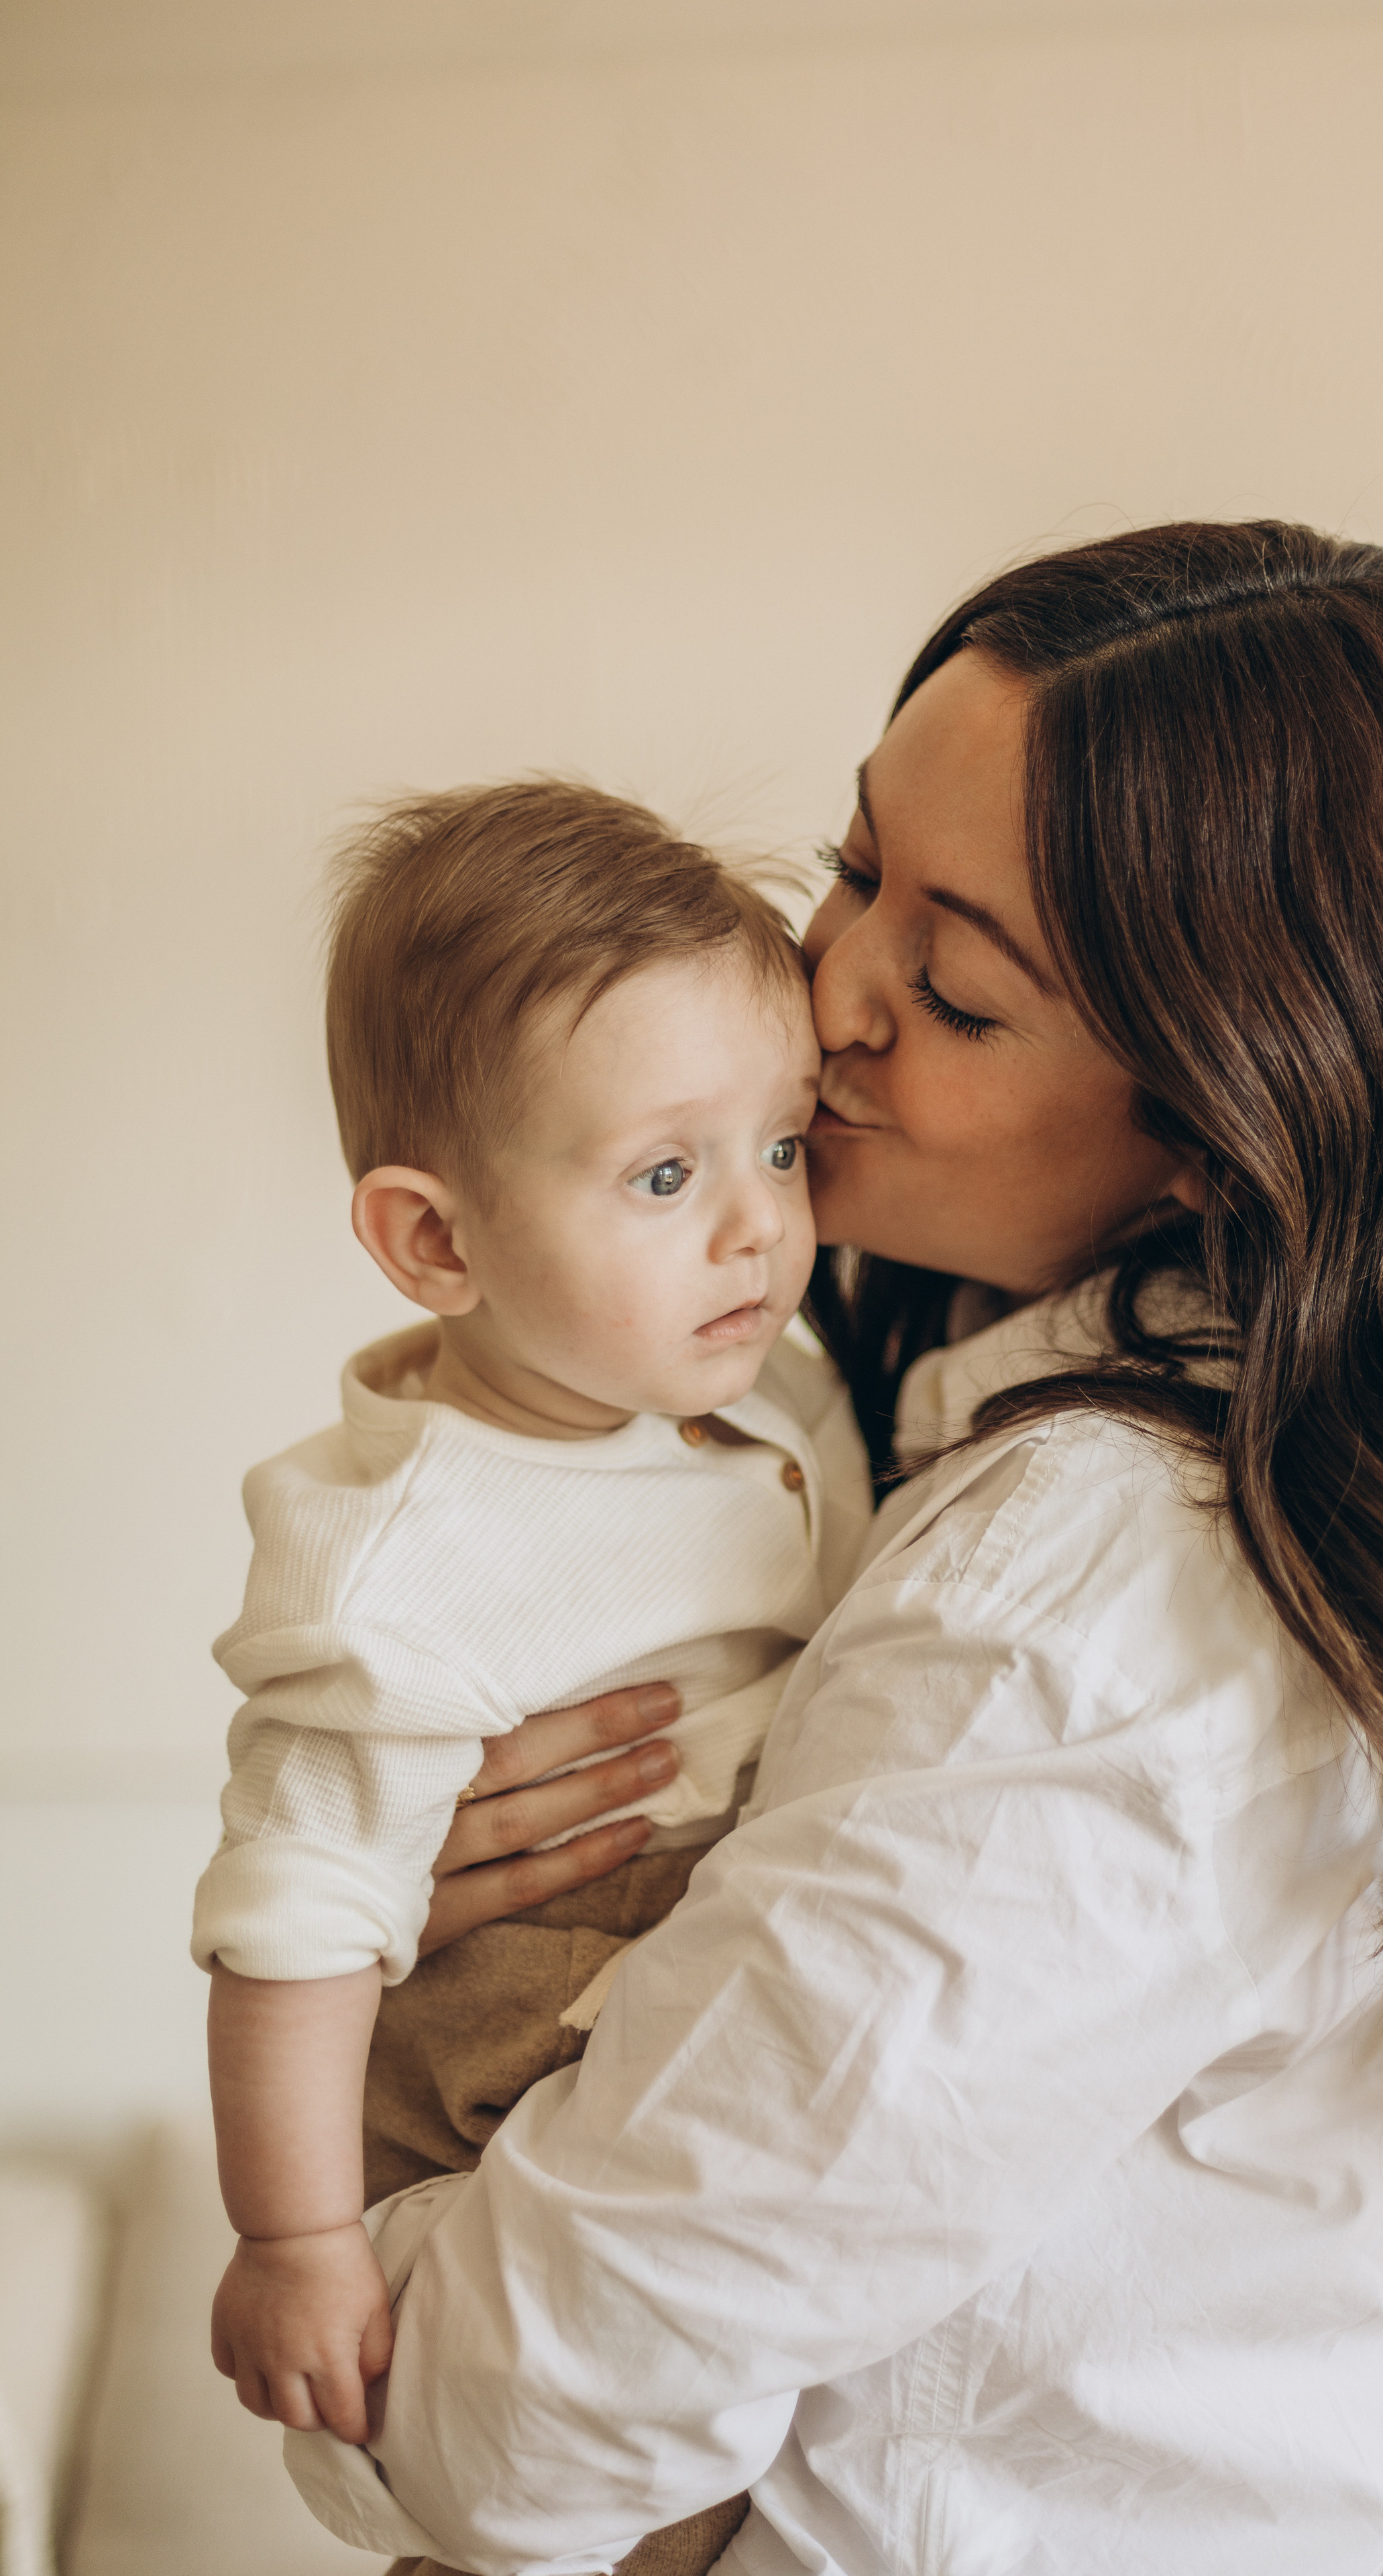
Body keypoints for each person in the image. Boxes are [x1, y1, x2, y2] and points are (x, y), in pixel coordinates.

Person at [292, 525, 1383, 2576]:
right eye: (853, 865)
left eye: (955, 990)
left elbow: (527, 2427)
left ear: (1233, 1120)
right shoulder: (1253, 1493)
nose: (827, 993)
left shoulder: (1083, 1601)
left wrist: (399, 2066)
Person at [190, 784, 871, 2575]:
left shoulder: (760, 1378)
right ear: (437, 1243)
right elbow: (297, 1920)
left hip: (699, 1959)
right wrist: (297, 2241)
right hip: (505, 2026)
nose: (756, 1229)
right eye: (666, 1174)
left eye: (783, 1148)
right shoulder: (395, 1555)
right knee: (613, 2482)